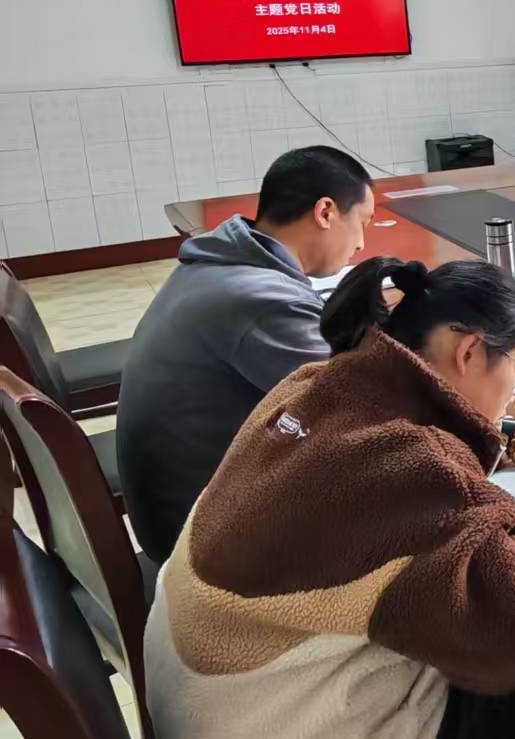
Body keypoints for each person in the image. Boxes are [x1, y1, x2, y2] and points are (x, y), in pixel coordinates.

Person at [145, 256, 515, 739]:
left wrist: (508, 436)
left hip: (209, 728)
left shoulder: (319, 384)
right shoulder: (408, 464)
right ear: (469, 352)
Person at [117, 145, 375, 565]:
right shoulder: (263, 300)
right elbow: (363, 403)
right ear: (326, 212)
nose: (362, 243)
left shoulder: (224, 259)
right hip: (203, 538)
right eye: (362, 222)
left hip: (176, 506)